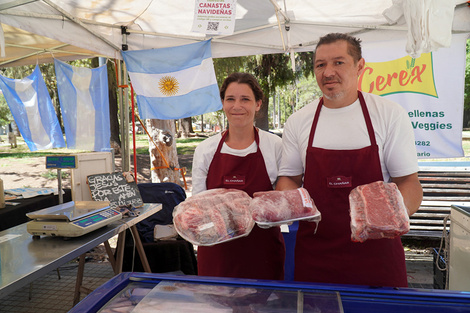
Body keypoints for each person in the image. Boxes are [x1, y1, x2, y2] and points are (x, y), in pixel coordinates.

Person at [277, 33, 423, 287]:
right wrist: (289, 206)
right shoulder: (299, 121)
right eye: (320, 65)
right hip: (315, 255)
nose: (328, 72)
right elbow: (288, 177)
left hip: (377, 256)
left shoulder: (389, 115)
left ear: (360, 66)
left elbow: (409, 182)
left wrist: (386, 219)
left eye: (338, 62)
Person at [191, 72, 286, 280]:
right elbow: (198, 205)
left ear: (258, 104)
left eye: (245, 99)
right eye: (230, 99)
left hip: (262, 252)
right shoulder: (205, 149)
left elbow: (283, 201)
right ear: (223, 103)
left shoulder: (275, 146)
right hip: (217, 253)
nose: (237, 106)